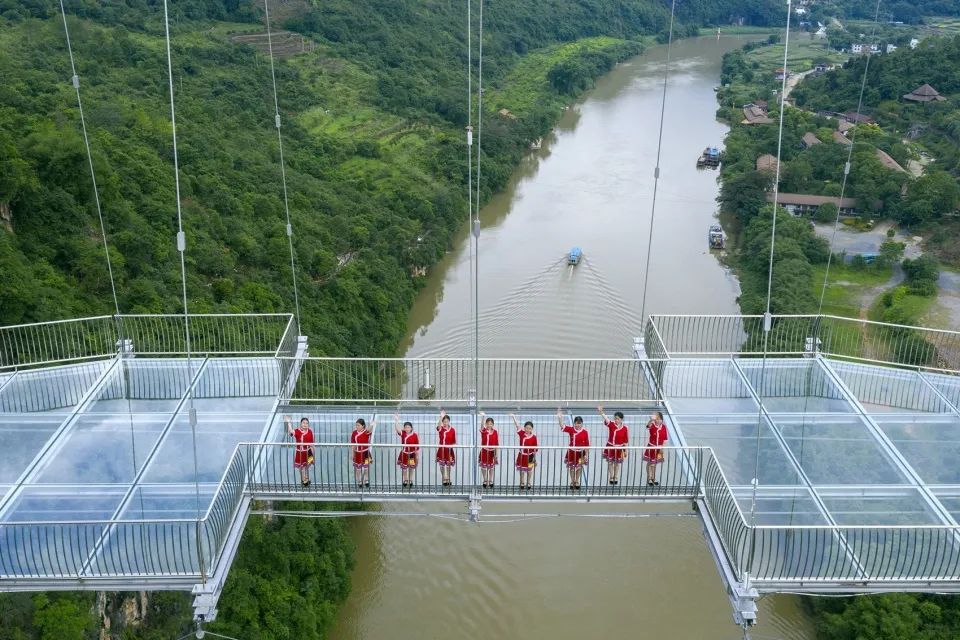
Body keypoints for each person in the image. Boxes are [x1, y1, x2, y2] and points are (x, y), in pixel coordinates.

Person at [557, 409, 589, 490]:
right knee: (571, 467)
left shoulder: (585, 432)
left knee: (579, 467)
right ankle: (572, 481)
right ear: (574, 423)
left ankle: (577, 481)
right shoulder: (571, 430)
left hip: (581, 453)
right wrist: (560, 417)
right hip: (572, 452)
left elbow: (587, 445)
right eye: (576, 423)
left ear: (582, 424)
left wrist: (586, 455)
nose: (577, 425)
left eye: (579, 423)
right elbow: (562, 426)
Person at [598, 406, 628, 486]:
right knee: (610, 462)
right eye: (615, 418)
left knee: (617, 463)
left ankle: (616, 476)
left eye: (618, 419)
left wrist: (625, 450)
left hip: (619, 448)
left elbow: (625, 440)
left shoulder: (625, 428)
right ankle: (611, 476)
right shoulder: (611, 424)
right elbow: (606, 418)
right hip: (611, 446)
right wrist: (601, 412)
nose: (616, 420)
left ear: (621, 419)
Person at [285, 415, 314, 487]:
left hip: (308, 451)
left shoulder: (310, 431)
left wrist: (313, 453)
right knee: (302, 468)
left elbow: (312, 443)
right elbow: (291, 431)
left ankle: (306, 479)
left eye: (307, 423)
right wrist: (289, 422)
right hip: (300, 452)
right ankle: (304, 481)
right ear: (300, 424)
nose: (305, 424)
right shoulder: (298, 431)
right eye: (303, 423)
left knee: (307, 466)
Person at [511, 414, 538, 490]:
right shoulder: (522, 433)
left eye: (529, 428)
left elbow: (535, 449)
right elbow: (517, 425)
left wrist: (534, 459)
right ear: (524, 428)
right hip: (522, 455)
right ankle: (522, 482)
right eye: (526, 428)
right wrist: (514, 417)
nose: (528, 429)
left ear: (532, 429)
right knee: (522, 470)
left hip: (530, 456)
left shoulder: (534, 437)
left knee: (529, 470)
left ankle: (528, 482)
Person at [644, 411, 668, 486]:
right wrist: (651, 420)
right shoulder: (652, 425)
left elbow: (664, 438)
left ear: (662, 419)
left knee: (655, 463)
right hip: (651, 447)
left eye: (659, 419)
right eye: (656, 419)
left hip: (659, 448)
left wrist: (662, 447)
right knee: (650, 463)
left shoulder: (664, 427)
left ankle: (653, 478)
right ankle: (649, 478)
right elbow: (647, 426)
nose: (657, 420)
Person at [350, 417, 376, 488]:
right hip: (357, 453)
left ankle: (366, 480)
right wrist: (352, 454)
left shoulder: (366, 432)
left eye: (358, 425)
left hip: (365, 453)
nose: (357, 427)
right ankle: (359, 481)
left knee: (366, 467)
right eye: (356, 425)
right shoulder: (354, 433)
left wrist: (372, 424)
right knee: (358, 468)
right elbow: (353, 444)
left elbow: (369, 429)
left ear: (363, 426)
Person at [395, 415, 419, 488]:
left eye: (408, 427)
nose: (407, 429)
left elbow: (417, 445)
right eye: (405, 427)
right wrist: (397, 421)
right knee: (404, 468)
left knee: (411, 468)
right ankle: (405, 479)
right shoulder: (403, 433)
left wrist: (417, 455)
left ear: (411, 428)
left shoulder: (414, 435)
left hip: (412, 454)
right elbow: (398, 430)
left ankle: (410, 479)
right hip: (404, 454)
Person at [436, 410, 457, 486]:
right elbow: (438, 426)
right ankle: (444, 478)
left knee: (448, 465)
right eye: (444, 422)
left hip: (449, 450)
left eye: (447, 421)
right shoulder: (441, 429)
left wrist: (451, 447)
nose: (445, 423)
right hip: (441, 449)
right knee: (442, 465)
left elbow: (454, 441)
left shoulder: (452, 430)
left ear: (449, 422)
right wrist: (440, 417)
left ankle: (448, 478)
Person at [478, 414, 499, 488]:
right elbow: (481, 426)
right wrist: (483, 417)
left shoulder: (495, 432)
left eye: (491, 424)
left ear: (493, 424)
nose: (489, 425)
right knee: (483, 467)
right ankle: (485, 479)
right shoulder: (484, 431)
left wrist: (496, 454)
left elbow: (496, 443)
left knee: (491, 467)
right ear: (486, 424)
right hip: (484, 451)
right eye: (488, 424)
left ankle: (490, 480)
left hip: (492, 452)